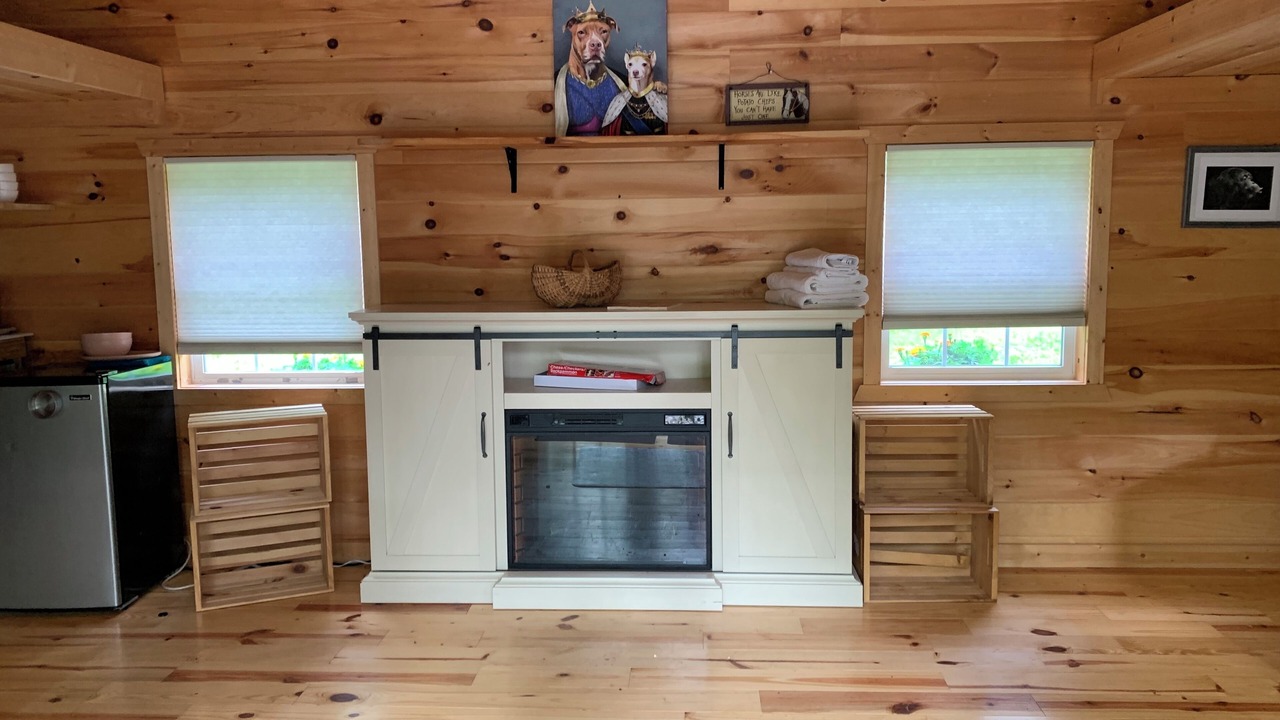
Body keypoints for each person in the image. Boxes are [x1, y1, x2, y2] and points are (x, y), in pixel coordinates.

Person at [554, 3, 627, 136]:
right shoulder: (556, 83)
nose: (595, 42)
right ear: (572, 32)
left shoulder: (621, 83)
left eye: (603, 31)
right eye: (582, 32)